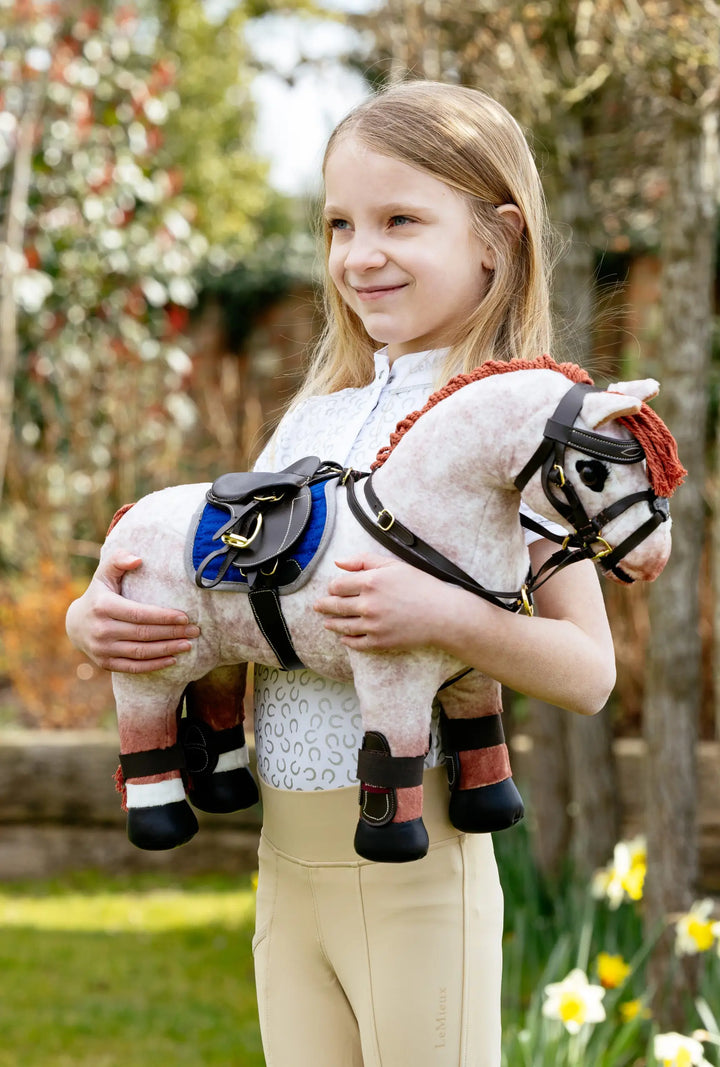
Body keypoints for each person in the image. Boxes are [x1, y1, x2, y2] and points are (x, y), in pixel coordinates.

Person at [66, 80, 615, 1067]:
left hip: (416, 861)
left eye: (399, 220)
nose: (360, 253)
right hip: (286, 864)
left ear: (496, 239)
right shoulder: (311, 420)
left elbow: (587, 670)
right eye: (338, 224)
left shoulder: (519, 430)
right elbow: (224, 584)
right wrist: (91, 619)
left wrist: (441, 615)